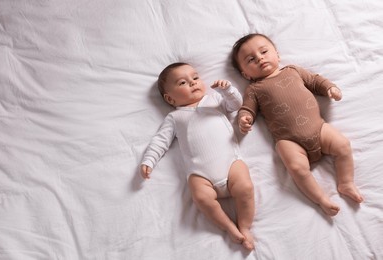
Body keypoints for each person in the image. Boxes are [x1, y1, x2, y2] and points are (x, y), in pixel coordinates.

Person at [231, 33, 363, 216]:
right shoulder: (254, 89)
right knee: (296, 168)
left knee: (343, 145)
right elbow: (247, 108)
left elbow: (315, 81)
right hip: (289, 140)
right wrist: (244, 118)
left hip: (318, 128)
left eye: (264, 51)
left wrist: (330, 88)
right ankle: (321, 199)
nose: (260, 58)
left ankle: (346, 182)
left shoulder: (293, 71)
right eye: (251, 59)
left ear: (277, 55)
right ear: (245, 74)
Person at [140, 62, 255, 250]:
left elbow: (236, 105)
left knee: (246, 187)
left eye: (195, 78)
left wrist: (228, 91)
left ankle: (245, 226)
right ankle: (228, 227)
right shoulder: (174, 118)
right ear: (170, 99)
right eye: (183, 83)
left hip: (230, 164)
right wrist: (149, 160)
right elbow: (160, 141)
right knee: (201, 198)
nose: (193, 83)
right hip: (201, 175)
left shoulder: (213, 101)